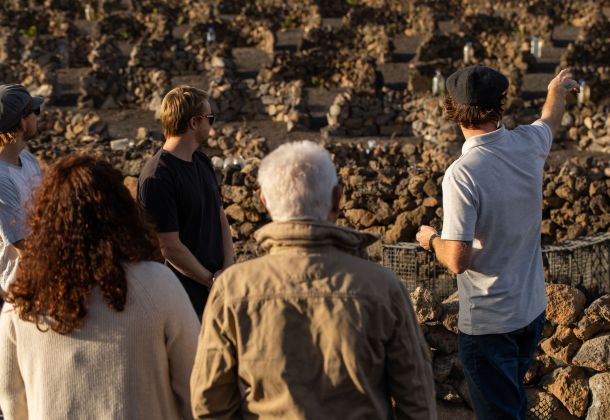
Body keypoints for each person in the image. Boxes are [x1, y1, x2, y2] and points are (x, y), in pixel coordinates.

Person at [191, 141, 436, 419]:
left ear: (264, 202)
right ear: (337, 198)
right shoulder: (382, 287)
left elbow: (209, 403)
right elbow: (418, 403)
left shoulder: (233, 290)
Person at [416, 66, 578, 419]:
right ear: (499, 105)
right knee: (512, 402)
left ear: (452, 108)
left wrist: (430, 239)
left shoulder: (463, 173)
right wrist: (556, 89)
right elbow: (549, 120)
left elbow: (457, 259)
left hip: (490, 324)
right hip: (530, 309)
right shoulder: (527, 144)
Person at [0, 156, 199, 419]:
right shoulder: (159, 285)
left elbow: (13, 404)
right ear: (122, 213)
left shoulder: (22, 304)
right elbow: (197, 387)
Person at [138, 86, 234, 318]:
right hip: (183, 298)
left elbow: (219, 216)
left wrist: (228, 269)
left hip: (217, 289)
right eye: (209, 118)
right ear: (193, 123)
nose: (212, 125)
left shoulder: (201, 161)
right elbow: (168, 245)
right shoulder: (158, 177)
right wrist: (209, 279)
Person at [0, 84, 43, 299]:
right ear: (22, 122)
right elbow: (22, 243)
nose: (38, 116)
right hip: (14, 294)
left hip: (33, 282)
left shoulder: (28, 160)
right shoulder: (1, 178)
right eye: (34, 111)